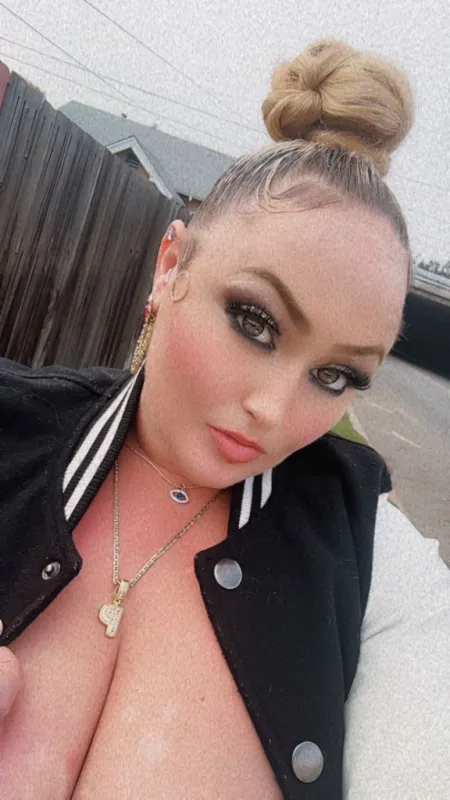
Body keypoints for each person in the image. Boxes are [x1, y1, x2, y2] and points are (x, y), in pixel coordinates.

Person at [1, 38, 449, 800]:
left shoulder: (366, 549)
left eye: (335, 376)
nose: (273, 410)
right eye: (255, 321)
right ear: (170, 265)